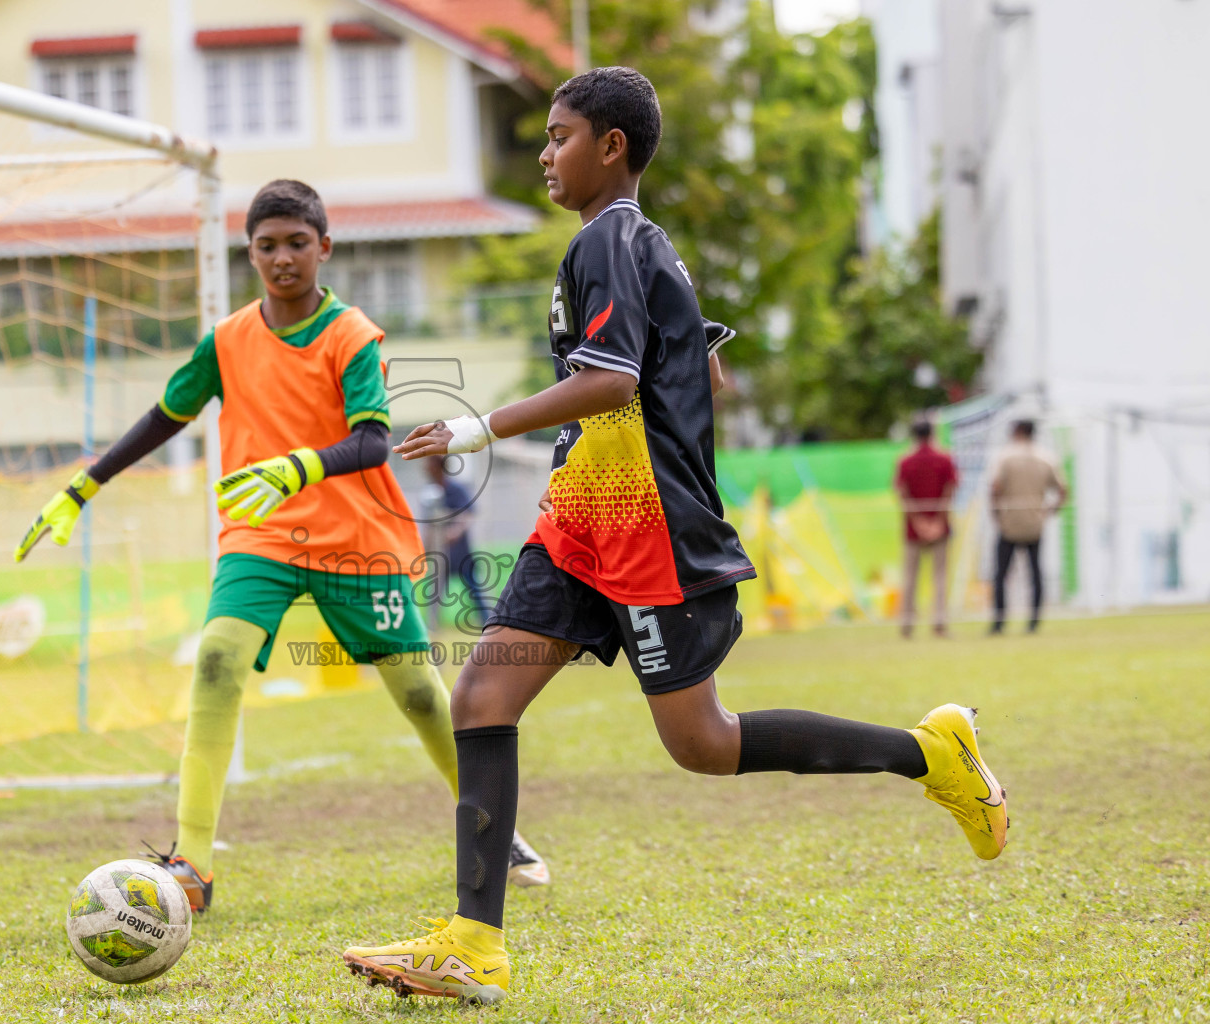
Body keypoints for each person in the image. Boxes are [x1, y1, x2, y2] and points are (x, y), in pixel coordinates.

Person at [339, 67, 1009, 1005]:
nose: (544, 152)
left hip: (646, 520)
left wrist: (474, 426)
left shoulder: (612, 235)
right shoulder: (626, 243)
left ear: (611, 147)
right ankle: (473, 945)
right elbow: (671, 363)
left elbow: (612, 379)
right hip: (585, 509)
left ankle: (930, 753)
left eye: (560, 134)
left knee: (701, 743)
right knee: (483, 696)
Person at [14, 180, 549, 912]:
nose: (283, 257)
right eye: (267, 245)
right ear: (250, 254)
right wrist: (84, 485)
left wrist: (296, 465)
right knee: (216, 661)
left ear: (323, 247)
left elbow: (371, 441)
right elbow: (164, 415)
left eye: (297, 242)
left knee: (423, 695)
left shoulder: (351, 334)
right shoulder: (227, 339)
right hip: (259, 534)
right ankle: (191, 867)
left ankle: (494, 826)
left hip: (356, 533)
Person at [989, 419, 1068, 634]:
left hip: (1009, 523)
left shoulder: (1005, 457)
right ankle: (1033, 622)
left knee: (1001, 574)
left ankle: (999, 622)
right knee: (1036, 573)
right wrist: (1049, 511)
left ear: (1017, 431)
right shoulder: (1047, 457)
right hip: (1035, 523)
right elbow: (1063, 490)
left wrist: (996, 514)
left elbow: (995, 488)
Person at [894, 421, 959, 637]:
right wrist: (938, 520)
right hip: (939, 526)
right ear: (932, 433)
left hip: (913, 529)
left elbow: (902, 493)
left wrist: (917, 522)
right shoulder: (945, 458)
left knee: (910, 577)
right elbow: (950, 490)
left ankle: (907, 625)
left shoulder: (905, 461)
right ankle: (939, 624)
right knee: (939, 577)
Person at [423, 455, 490, 631]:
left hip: (460, 554)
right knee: (435, 592)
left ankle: (487, 623)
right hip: (440, 556)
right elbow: (429, 526)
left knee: (475, 589)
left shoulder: (456, 489)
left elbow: (467, 514)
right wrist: (425, 549)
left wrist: (455, 531)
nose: (425, 468)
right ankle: (432, 626)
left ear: (437, 466)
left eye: (428, 463)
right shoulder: (430, 494)